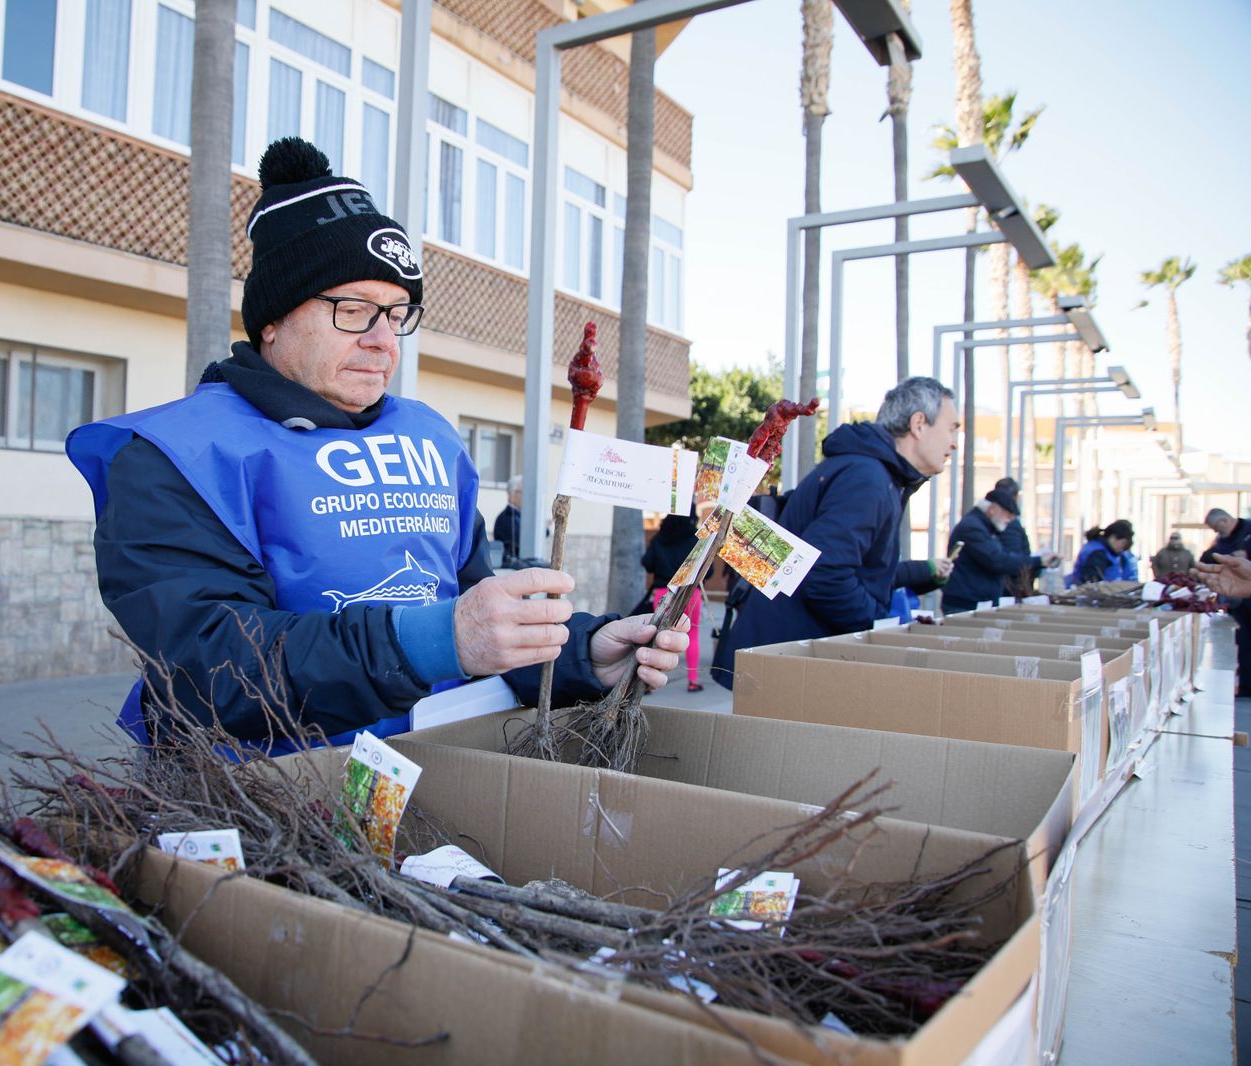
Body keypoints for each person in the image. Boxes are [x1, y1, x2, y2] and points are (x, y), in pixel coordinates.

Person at [66, 137, 687, 746]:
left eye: (397, 315)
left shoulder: (430, 437)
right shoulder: (175, 455)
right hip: (266, 803)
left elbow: (470, 610)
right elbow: (213, 672)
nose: (383, 341)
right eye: (354, 308)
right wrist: (438, 640)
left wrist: (579, 653)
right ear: (273, 321)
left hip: (436, 782)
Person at [712, 376, 960, 688]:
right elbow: (825, 574)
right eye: (952, 428)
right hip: (788, 668)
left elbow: (862, 572)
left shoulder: (870, 472)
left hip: (783, 659)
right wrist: (874, 627)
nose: (954, 442)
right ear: (919, 424)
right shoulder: (867, 477)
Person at [942, 487, 1058, 614]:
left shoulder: (983, 527)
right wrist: (1038, 561)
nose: (1010, 520)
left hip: (971, 600)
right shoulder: (973, 528)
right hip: (965, 603)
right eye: (1008, 515)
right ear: (992, 509)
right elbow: (997, 560)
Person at [641, 508, 703, 692]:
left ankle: (647, 683)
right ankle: (692, 680)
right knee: (693, 636)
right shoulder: (695, 539)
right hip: (690, 593)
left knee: (657, 636)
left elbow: (647, 563)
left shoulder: (660, 538)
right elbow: (710, 572)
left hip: (664, 593)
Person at [1201, 508, 1251, 697]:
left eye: (1216, 528)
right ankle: (1246, 686)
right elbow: (1208, 557)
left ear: (1225, 520)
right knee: (1244, 642)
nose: (1216, 532)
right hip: (1239, 601)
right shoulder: (1222, 541)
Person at [992, 477, 1036, 599]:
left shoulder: (999, 521)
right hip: (1009, 589)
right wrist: (1038, 562)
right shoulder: (1009, 524)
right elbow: (1013, 557)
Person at [1071, 520, 1139, 584]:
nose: (1122, 547)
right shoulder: (1097, 553)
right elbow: (1094, 582)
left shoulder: (1112, 553)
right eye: (1122, 543)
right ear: (1113, 538)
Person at [491, 476, 523, 567]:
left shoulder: (520, 516)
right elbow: (522, 540)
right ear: (511, 494)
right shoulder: (505, 518)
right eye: (522, 492)